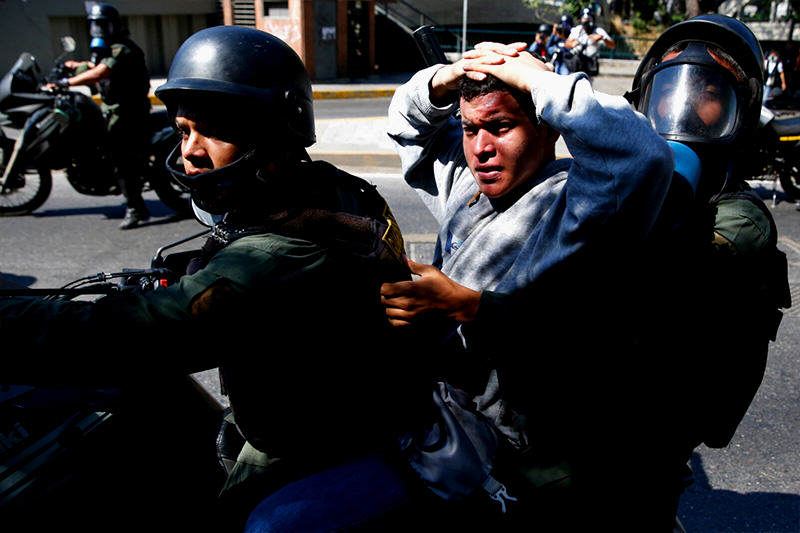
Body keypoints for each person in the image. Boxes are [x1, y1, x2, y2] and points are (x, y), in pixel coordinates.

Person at [1, 25, 426, 530]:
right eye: (183, 131)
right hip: (337, 403)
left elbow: (129, 334)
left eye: (213, 131)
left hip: (310, 441)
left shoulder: (280, 254)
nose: (190, 152)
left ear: (272, 133)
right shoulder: (331, 190)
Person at [384, 14, 790, 529]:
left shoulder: (577, 205)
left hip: (548, 451)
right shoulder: (472, 189)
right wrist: (447, 76)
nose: (480, 147)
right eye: (471, 130)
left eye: (502, 127)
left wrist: (541, 81)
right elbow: (407, 127)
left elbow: (634, 158)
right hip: (453, 424)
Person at [53, 2, 152, 229]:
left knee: (121, 158)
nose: (98, 31)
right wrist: (72, 67)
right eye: (94, 26)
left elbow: (101, 72)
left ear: (114, 26)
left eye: (102, 26)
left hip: (129, 111)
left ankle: (135, 208)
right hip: (112, 109)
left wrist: (67, 82)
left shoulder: (122, 48)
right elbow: (92, 65)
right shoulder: (107, 50)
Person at [565, 6, 615, 76]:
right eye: (584, 19)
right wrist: (573, 44)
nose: (586, 21)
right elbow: (567, 44)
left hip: (590, 63)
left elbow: (612, 45)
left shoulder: (598, 30)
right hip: (578, 63)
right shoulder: (578, 29)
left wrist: (602, 38)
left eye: (588, 19)